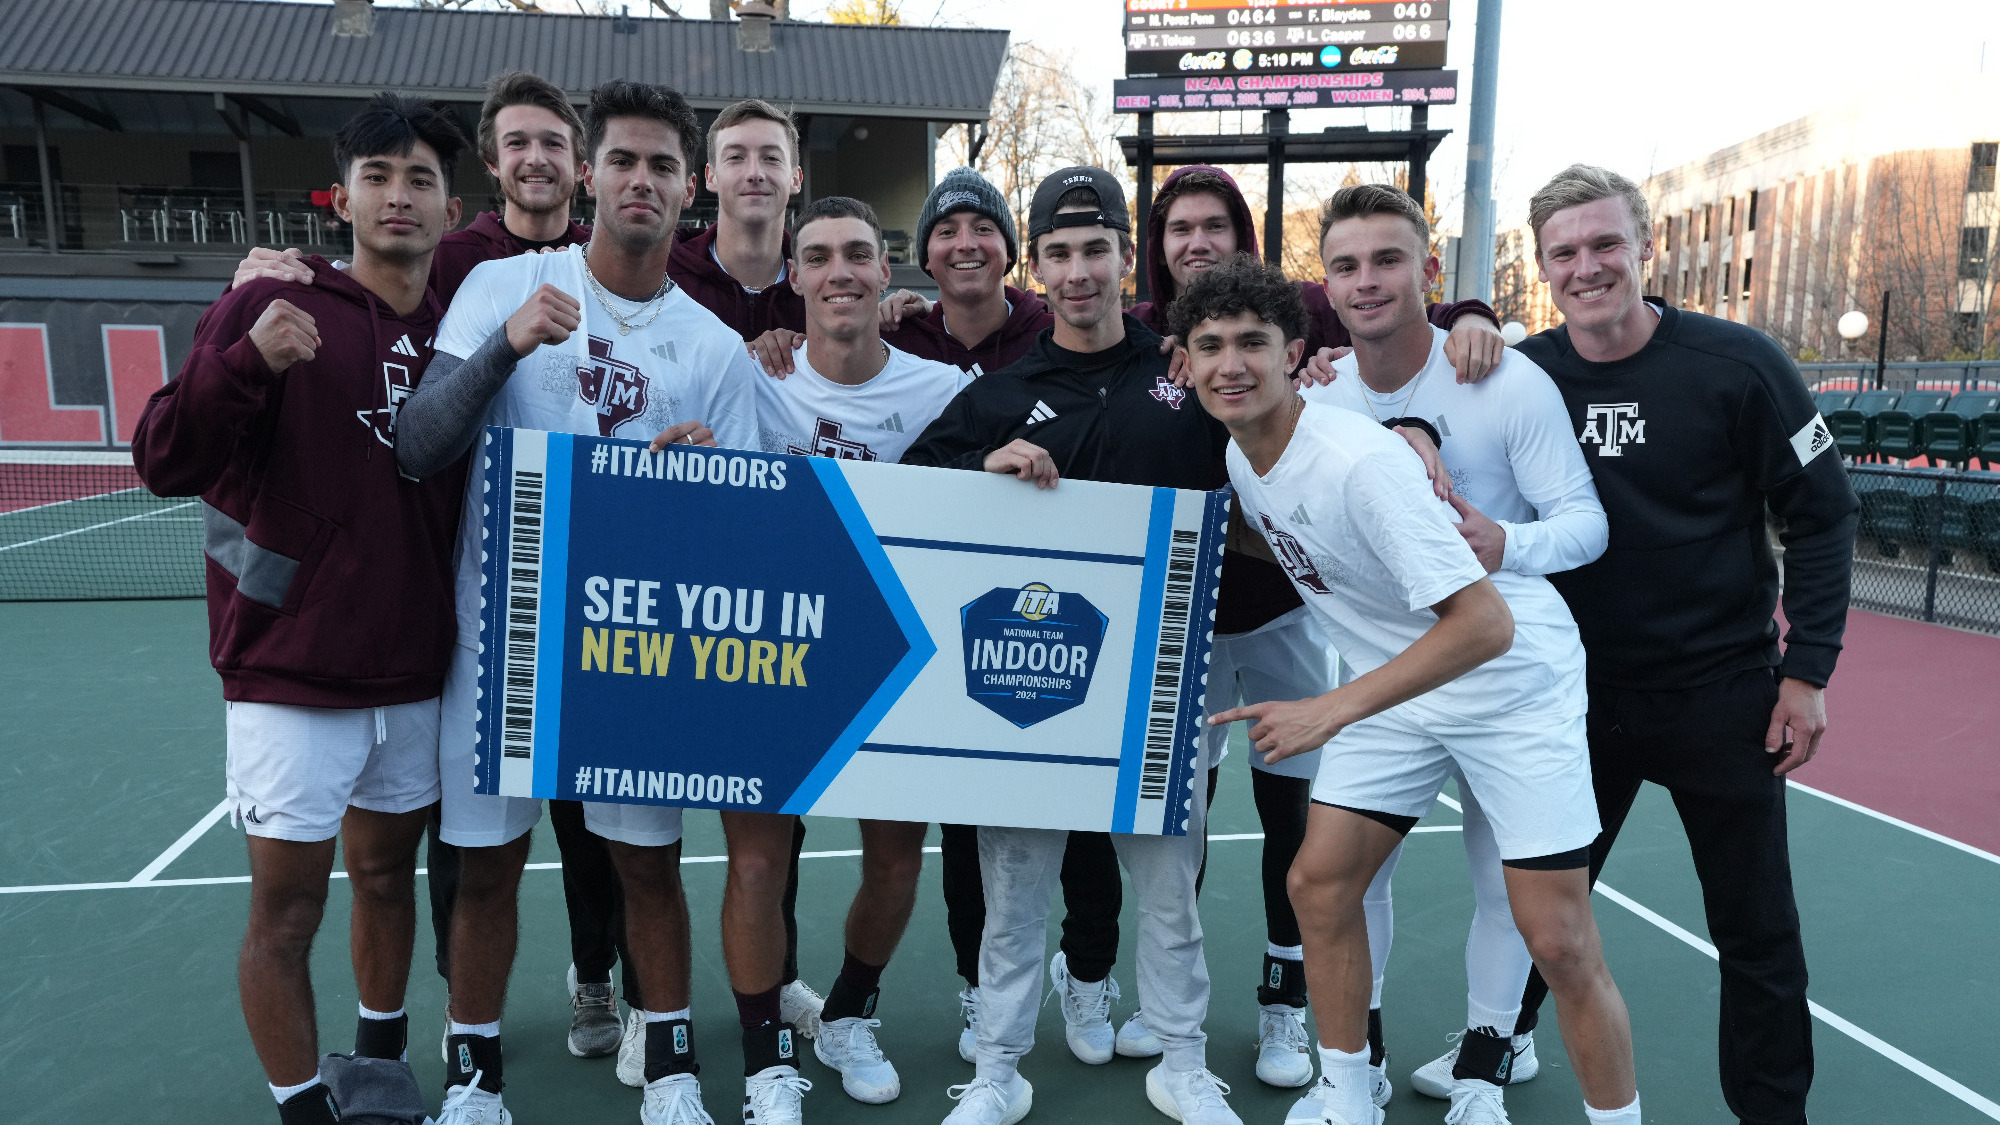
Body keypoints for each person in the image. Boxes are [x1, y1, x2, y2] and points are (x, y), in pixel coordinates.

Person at [226, 69, 639, 1069]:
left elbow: (690, 287)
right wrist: (263, 291)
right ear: (492, 168)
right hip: (447, 630)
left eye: (555, 142)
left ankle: (609, 993)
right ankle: (464, 1034)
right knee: (460, 855)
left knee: (604, 843)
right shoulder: (453, 265)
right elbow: (376, 296)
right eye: (517, 142)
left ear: (579, 168)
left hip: (580, 621)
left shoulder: (622, 264)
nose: (536, 159)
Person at [1181, 239, 1642, 1125]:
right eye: (1209, 345)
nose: (1230, 365)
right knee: (1320, 883)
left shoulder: (1356, 462)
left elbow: (1485, 622)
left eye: (1251, 343)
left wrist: (1328, 709)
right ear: (1189, 360)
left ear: (1293, 356)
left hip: (1512, 679)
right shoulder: (1246, 459)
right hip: (1405, 680)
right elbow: (1300, 544)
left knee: (1560, 938)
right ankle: (1348, 1096)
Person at [1456, 165, 1858, 1125]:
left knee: (1757, 931)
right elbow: (1396, 366)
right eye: (1566, 252)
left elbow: (1824, 512)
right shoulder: (1524, 372)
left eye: (1605, 244)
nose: (1587, 266)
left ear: (1646, 247)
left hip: (1723, 694)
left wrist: (1806, 674)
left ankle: (1772, 1113)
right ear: (1542, 266)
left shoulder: (1739, 365)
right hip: (1572, 701)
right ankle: (1488, 1056)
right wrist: (1463, 313)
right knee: (1540, 915)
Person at [394, 79, 759, 1125]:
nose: (639, 180)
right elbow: (419, 448)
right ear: (587, 174)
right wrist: (507, 345)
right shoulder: (501, 288)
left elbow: (735, 543)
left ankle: (675, 1069)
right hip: (501, 645)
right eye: (623, 161)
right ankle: (473, 1079)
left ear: (686, 190)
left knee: (647, 867)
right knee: (486, 869)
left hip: (632, 656)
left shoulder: (711, 349)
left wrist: (697, 488)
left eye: (659, 166)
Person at [131, 93, 471, 1125]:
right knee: (284, 913)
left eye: (419, 180)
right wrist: (244, 361)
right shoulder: (271, 305)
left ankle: (376, 1062)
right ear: (342, 199)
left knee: (382, 883)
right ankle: (302, 1110)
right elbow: (162, 460)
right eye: (379, 178)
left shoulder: (461, 335)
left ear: (451, 210)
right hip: (289, 674)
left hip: (415, 674)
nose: (399, 197)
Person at [1134, 164, 1507, 1098]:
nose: (1197, 242)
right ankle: (1327, 1078)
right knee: (1273, 859)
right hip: (1286, 647)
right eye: (1178, 228)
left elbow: (1484, 622)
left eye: (1215, 224)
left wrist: (1473, 312)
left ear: (1294, 346)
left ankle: (1447, 1049)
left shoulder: (1339, 429)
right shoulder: (1211, 413)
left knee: (1533, 911)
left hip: (1451, 666)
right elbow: (1270, 528)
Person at [903, 166, 1241, 1125]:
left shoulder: (1188, 375)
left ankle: (1181, 1056)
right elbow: (904, 496)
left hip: (1159, 676)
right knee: (1015, 889)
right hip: (1030, 678)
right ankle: (1000, 1067)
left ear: (1129, 257)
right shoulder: (1002, 394)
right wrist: (983, 465)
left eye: (1098, 249)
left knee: (1170, 885)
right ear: (1035, 267)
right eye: (1060, 252)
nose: (1080, 270)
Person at [1297, 178, 1617, 1120]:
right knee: (1341, 876)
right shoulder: (1321, 393)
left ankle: (1484, 1066)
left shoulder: (1505, 377)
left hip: (1509, 665)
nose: (1368, 282)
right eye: (1347, 266)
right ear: (1328, 283)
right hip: (1393, 674)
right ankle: (1354, 1066)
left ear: (1429, 269)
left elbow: (1586, 523)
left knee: (1516, 894)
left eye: (1389, 259)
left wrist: (1504, 542)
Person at [732, 193, 975, 1112]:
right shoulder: (750, 376)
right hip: (771, 653)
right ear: (792, 278)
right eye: (819, 255)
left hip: (889, 655)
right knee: (757, 864)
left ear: (887, 273)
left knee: (896, 863)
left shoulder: (943, 390)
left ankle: (847, 1009)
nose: (839, 271)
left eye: (859, 254)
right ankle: (764, 1060)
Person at [667, 97, 826, 1045]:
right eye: (738, 156)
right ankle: (623, 987)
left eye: (773, 156)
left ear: (793, 177)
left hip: (776, 597)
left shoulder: (823, 282)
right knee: (628, 822)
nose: (756, 171)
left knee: (773, 825)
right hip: (666, 582)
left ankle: (783, 981)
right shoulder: (666, 278)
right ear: (709, 178)